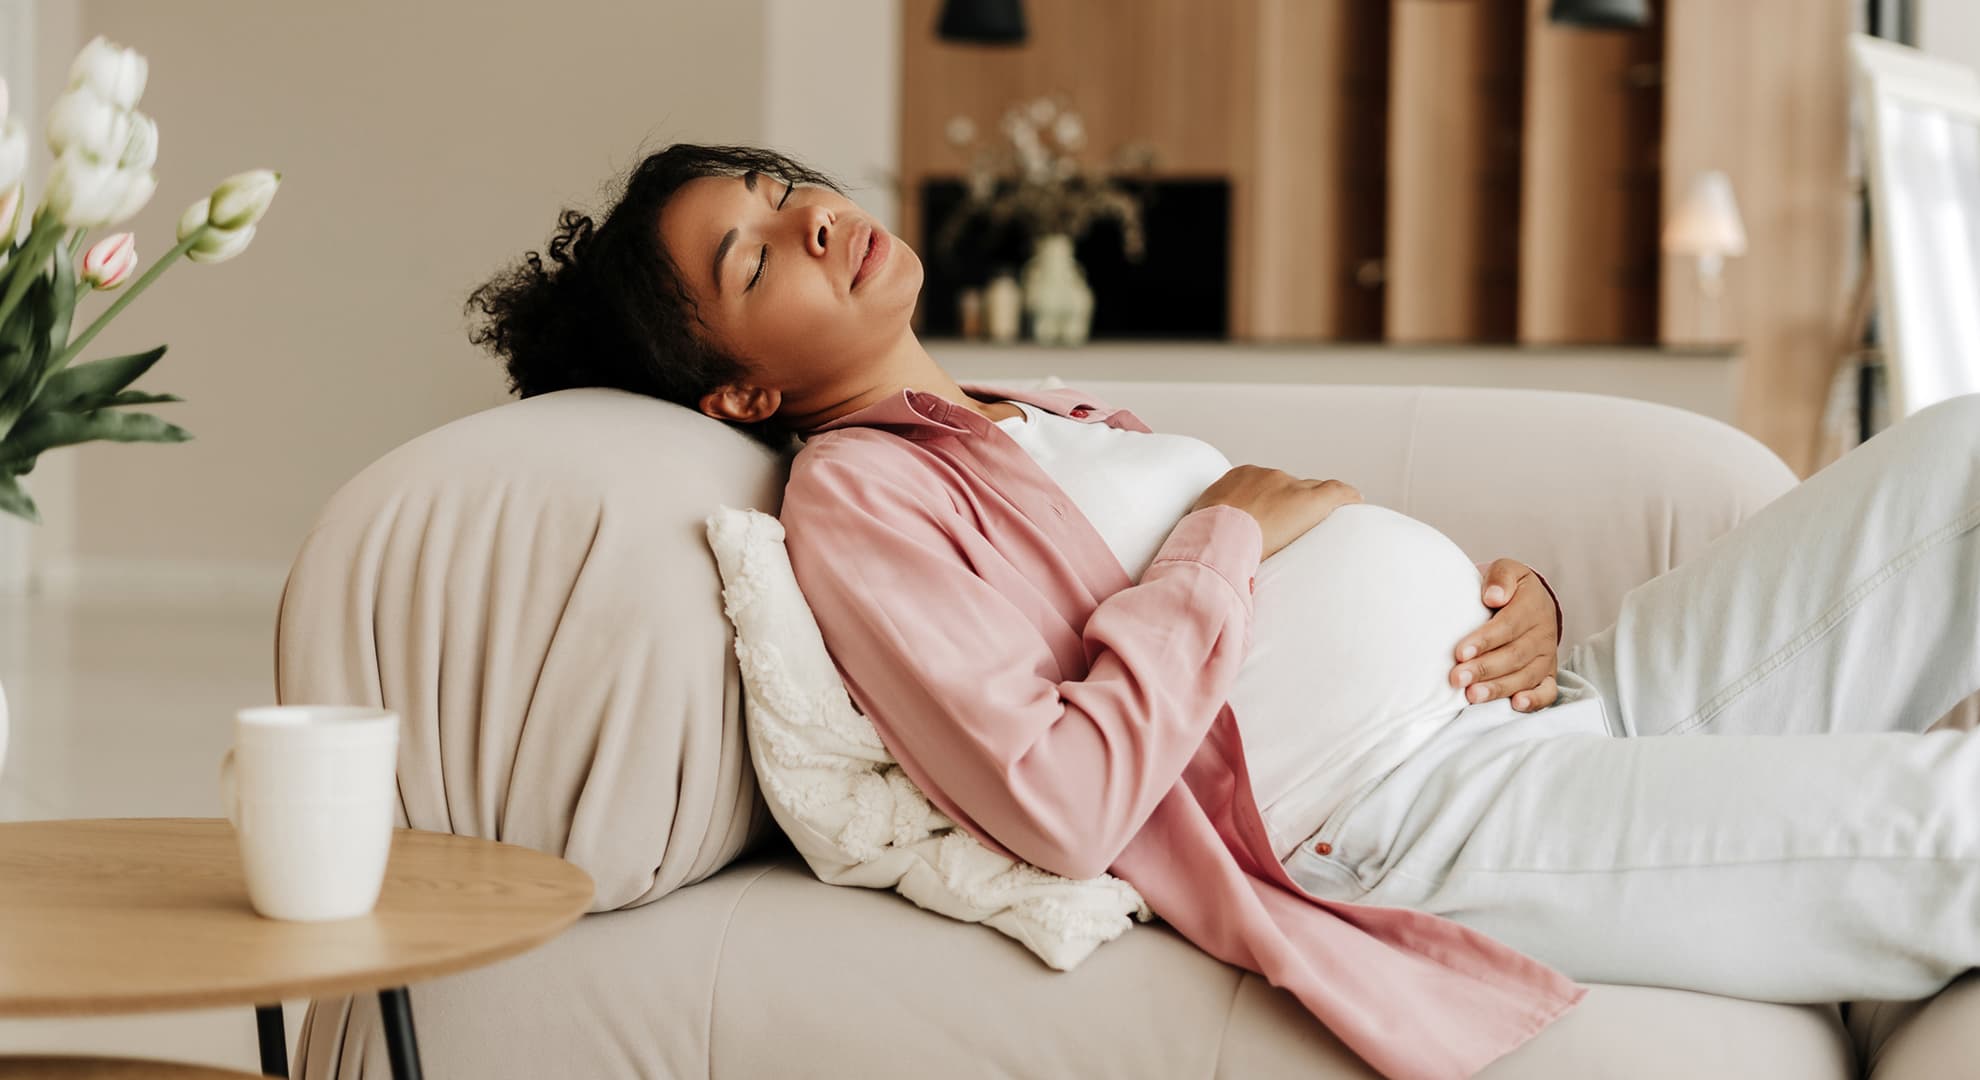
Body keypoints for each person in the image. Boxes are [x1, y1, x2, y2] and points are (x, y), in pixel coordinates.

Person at [467, 144, 1980, 1079]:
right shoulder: (859, 501)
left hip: (1548, 693)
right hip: (1415, 809)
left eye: (788, 190)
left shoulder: (1022, 409)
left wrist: (1514, 596)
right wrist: (1219, 538)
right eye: (753, 252)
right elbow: (1059, 800)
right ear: (740, 388)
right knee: (1958, 822)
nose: (810, 221)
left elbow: (1285, 569)